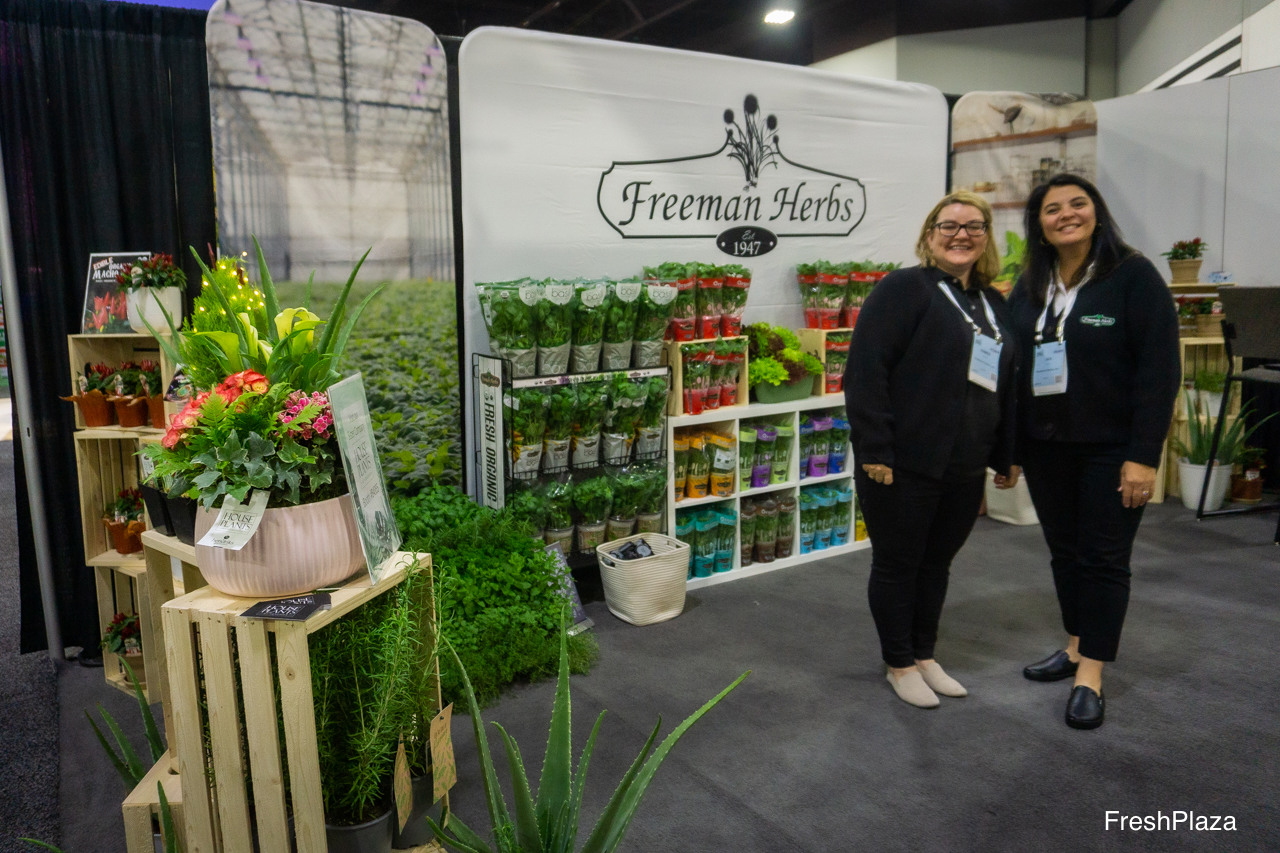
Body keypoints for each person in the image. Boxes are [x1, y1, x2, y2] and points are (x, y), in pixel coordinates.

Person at [1009, 174, 1180, 730]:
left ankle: (1091, 675)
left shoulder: (1133, 276)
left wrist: (1144, 455)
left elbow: (1159, 372)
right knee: (1065, 553)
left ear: (1097, 213)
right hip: (1046, 447)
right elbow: (1012, 365)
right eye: (1052, 208)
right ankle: (1076, 645)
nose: (1066, 214)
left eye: (1077, 204)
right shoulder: (1031, 284)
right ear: (1039, 226)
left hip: (1112, 449)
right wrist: (1009, 446)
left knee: (1103, 559)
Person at [845, 191, 1021, 709]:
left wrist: (1005, 453)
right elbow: (866, 371)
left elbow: (1006, 384)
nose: (961, 234)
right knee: (899, 564)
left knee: (937, 563)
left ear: (986, 236)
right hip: (902, 462)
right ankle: (899, 663)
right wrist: (875, 448)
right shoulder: (903, 289)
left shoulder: (993, 303)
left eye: (974, 226)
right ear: (929, 235)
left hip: (965, 463)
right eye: (949, 226)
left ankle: (924, 654)